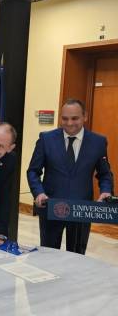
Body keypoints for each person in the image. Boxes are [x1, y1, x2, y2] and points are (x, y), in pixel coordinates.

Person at [27, 99, 112, 254]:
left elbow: (105, 173)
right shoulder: (46, 139)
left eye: (75, 118)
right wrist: (38, 192)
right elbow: (33, 171)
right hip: (51, 208)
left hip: (81, 209)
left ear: (84, 116)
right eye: (65, 118)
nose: (69, 123)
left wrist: (105, 191)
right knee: (48, 254)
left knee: (77, 255)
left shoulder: (98, 142)